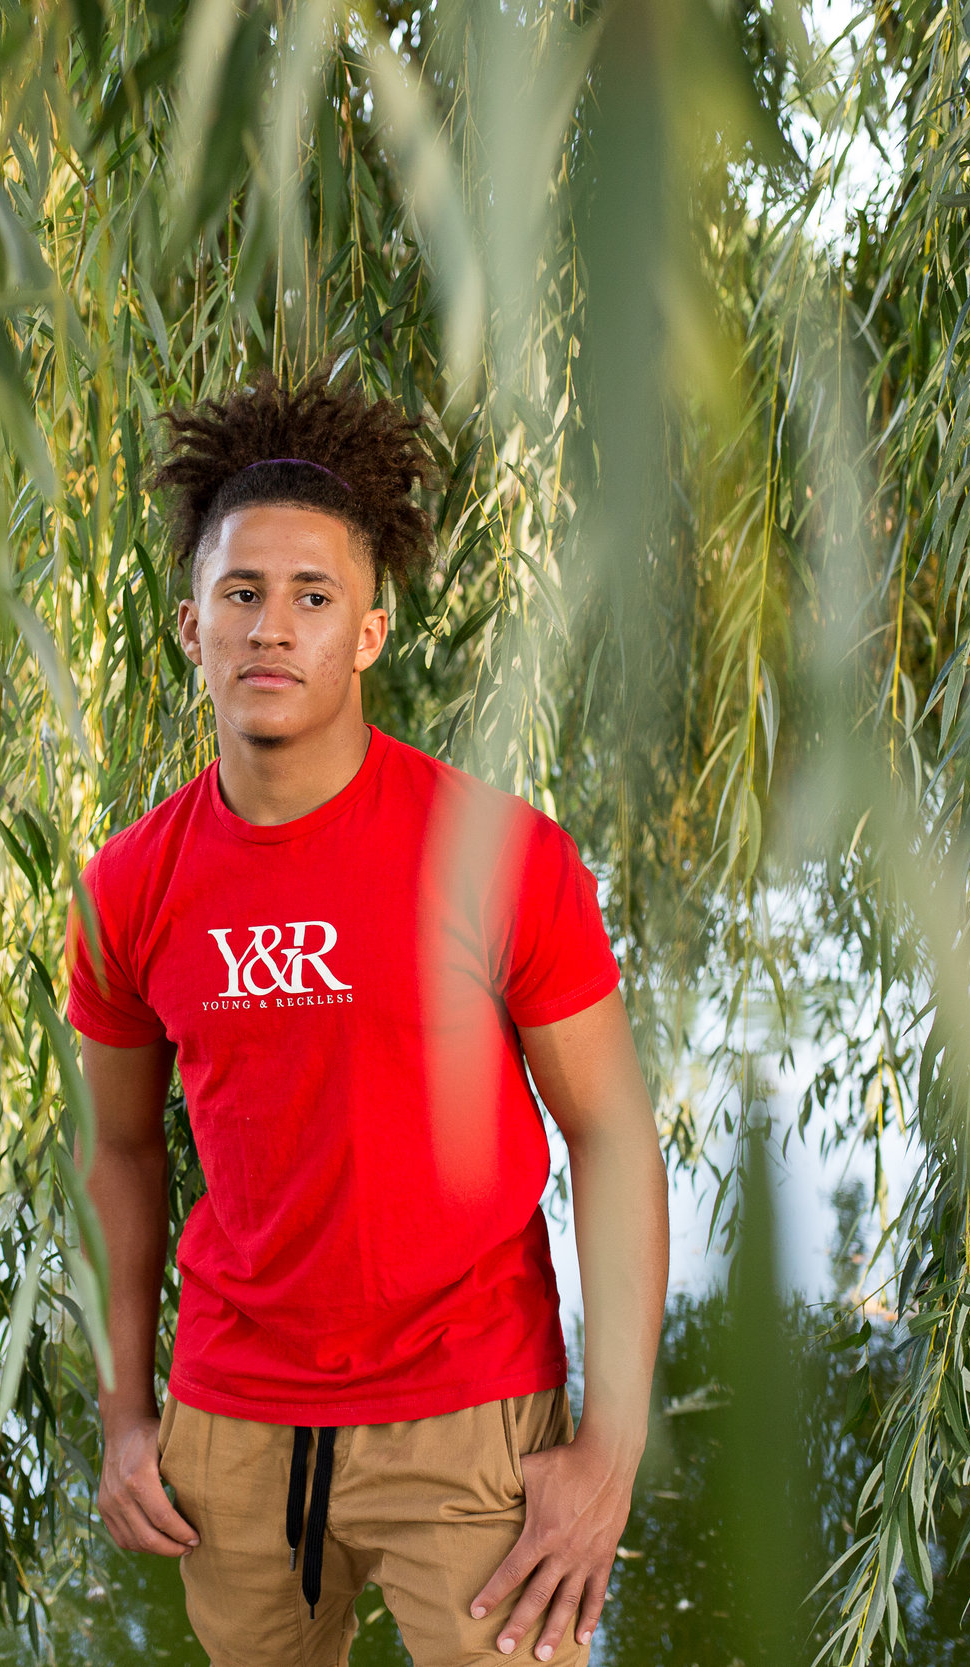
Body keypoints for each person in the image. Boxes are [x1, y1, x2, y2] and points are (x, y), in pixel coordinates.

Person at [68, 372, 670, 1666]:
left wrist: (608, 1448)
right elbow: (121, 1152)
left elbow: (613, 1135)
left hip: (470, 1420)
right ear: (191, 627)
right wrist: (128, 1417)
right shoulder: (131, 886)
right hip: (229, 1428)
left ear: (371, 635)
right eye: (242, 594)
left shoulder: (498, 856)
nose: (272, 628)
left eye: (312, 596)